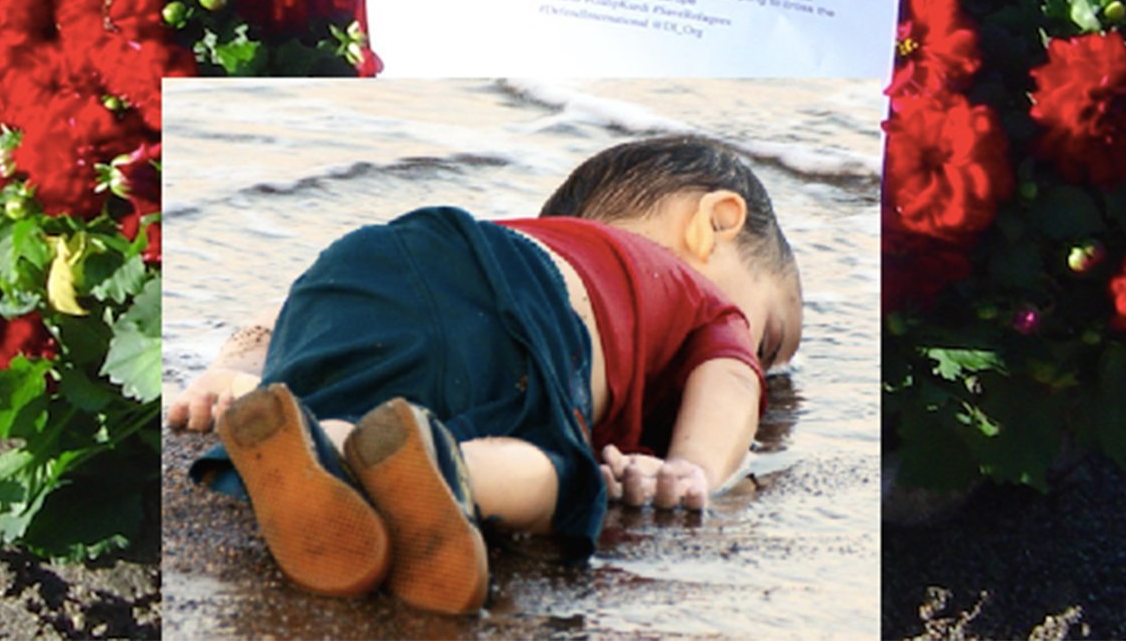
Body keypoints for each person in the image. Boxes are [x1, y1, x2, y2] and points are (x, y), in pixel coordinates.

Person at [168, 135, 804, 615]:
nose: (758, 359)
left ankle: (323, 439)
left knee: (360, 395)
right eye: (768, 337)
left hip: (358, 269)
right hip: (516, 311)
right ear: (716, 221)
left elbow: (286, 308)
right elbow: (731, 381)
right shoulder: (697, 299)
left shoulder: (521, 235)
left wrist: (230, 365)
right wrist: (694, 467)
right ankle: (450, 471)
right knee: (566, 479)